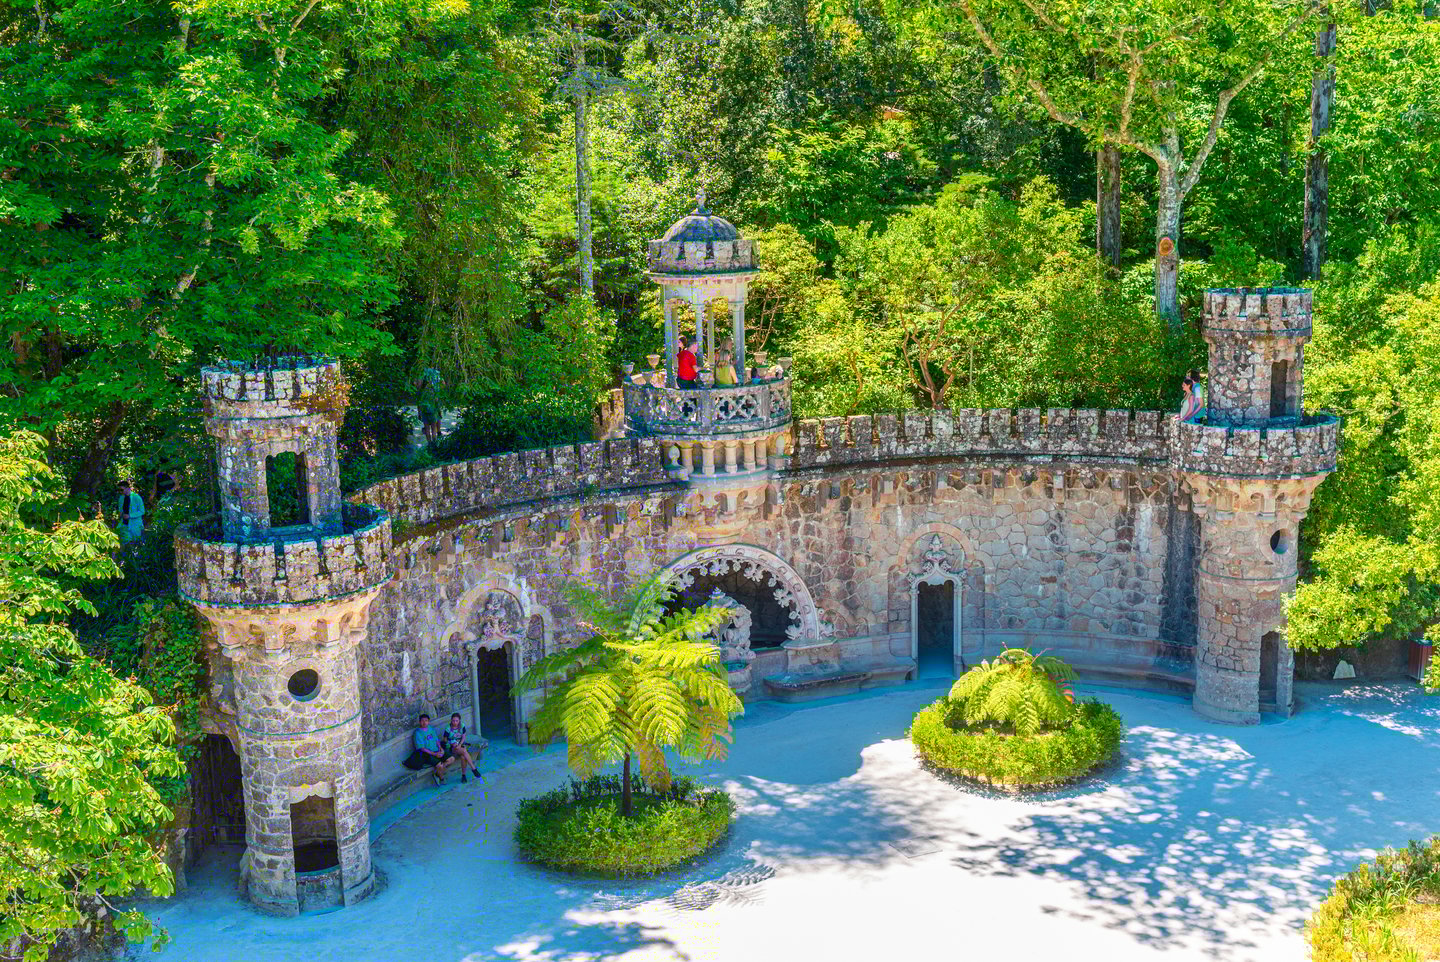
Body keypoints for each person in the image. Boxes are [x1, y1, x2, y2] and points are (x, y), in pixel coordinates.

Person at [402, 713, 456, 785]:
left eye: (426, 720)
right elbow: (422, 748)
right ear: (419, 722)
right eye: (422, 721)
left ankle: (437, 773)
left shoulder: (431, 728)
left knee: (452, 759)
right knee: (439, 765)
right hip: (428, 754)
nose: (424, 722)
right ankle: (441, 778)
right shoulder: (417, 733)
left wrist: (441, 749)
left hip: (437, 750)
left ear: (428, 721)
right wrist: (435, 754)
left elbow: (437, 740)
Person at [442, 712, 482, 783]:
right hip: (451, 747)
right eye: (453, 720)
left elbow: (463, 736)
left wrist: (460, 744)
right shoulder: (448, 728)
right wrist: (452, 743)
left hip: (460, 745)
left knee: (463, 757)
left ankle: (463, 776)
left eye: (456, 721)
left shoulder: (462, 725)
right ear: (451, 720)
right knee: (463, 751)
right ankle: (473, 768)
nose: (455, 722)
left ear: (459, 720)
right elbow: (444, 739)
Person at [415, 368, 444, 447]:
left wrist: (419, 413)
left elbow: (419, 404)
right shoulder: (433, 393)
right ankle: (434, 443)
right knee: (434, 428)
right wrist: (439, 412)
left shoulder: (422, 394)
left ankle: (429, 444)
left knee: (427, 429)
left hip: (425, 412)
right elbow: (437, 403)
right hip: (433, 412)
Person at [116, 480, 145, 546]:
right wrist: (120, 514)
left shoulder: (136, 497)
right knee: (125, 544)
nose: (120, 492)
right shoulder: (121, 498)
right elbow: (121, 510)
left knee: (136, 544)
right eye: (119, 490)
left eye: (121, 490)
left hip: (135, 525)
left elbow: (142, 511)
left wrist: (130, 516)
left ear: (127, 488)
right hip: (124, 525)